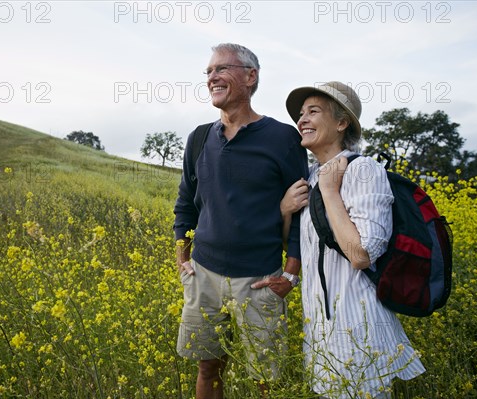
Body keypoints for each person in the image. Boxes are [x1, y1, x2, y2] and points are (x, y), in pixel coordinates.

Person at [173, 43, 308, 398]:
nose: (212, 78)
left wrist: (291, 272)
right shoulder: (199, 138)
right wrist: (182, 256)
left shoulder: (282, 138)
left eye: (222, 69)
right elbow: (186, 202)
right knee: (207, 366)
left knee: (266, 377)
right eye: (208, 72)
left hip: (261, 279)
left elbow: (302, 210)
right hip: (204, 274)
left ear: (251, 76)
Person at [281, 81, 425, 398]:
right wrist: (286, 211)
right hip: (320, 331)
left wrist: (331, 193)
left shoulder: (364, 171)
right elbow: (306, 251)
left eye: (313, 111)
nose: (301, 120)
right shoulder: (311, 177)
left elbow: (361, 254)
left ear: (342, 122)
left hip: (358, 331)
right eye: (300, 114)